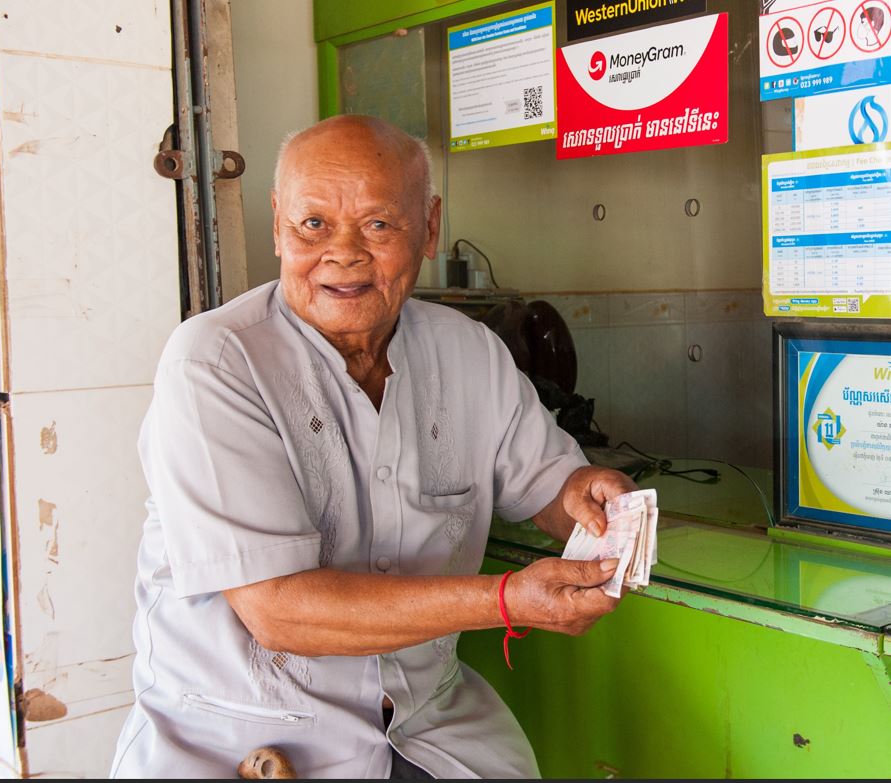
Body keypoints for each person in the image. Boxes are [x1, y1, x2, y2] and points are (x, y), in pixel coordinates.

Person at [110, 114, 637, 779]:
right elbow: (277, 609)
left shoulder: (467, 350)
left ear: (429, 226)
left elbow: (547, 485)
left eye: (378, 225)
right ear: (277, 223)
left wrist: (584, 497)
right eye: (312, 225)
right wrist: (505, 599)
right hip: (242, 739)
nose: (343, 253)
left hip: (428, 728)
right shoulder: (215, 362)